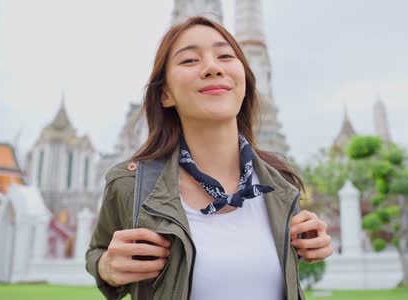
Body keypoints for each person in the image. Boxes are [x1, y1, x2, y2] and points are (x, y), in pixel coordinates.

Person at [86, 16, 333, 300]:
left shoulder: (279, 182)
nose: (213, 68)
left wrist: (308, 241)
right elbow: (98, 251)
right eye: (190, 60)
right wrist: (105, 267)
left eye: (225, 56)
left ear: (243, 80)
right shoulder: (132, 183)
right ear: (165, 93)